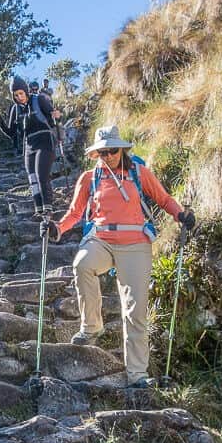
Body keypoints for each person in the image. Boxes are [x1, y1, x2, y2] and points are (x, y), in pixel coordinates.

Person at [41, 125, 195, 387]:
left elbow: (163, 198)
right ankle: (92, 326)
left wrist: (181, 214)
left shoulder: (138, 172)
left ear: (122, 149)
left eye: (112, 150)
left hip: (136, 244)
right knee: (82, 264)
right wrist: (57, 229)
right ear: (96, 154)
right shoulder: (90, 178)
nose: (108, 155)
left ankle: (137, 375)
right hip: (100, 239)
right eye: (102, 152)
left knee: (135, 310)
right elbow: (75, 213)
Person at [0, 76, 62, 215]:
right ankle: (39, 209)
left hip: (45, 141)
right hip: (29, 145)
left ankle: (48, 208)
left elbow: (54, 118)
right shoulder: (15, 109)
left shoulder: (39, 99)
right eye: (16, 95)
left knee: (41, 175)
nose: (19, 97)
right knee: (32, 179)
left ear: (26, 91)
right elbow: (12, 133)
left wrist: (58, 116)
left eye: (21, 93)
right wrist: (0, 122)